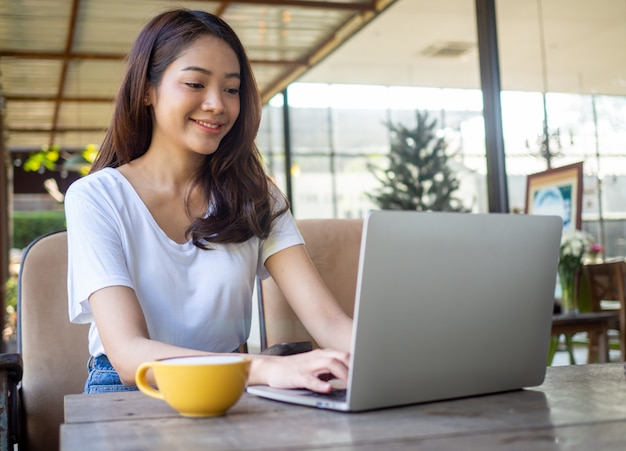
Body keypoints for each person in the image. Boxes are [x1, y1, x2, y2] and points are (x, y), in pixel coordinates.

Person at [65, 8, 352, 395]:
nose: (218, 104)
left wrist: (396, 361)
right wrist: (267, 368)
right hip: (133, 392)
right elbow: (129, 355)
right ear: (147, 91)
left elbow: (331, 325)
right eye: (196, 84)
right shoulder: (96, 198)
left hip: (235, 387)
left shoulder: (257, 196)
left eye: (231, 89)